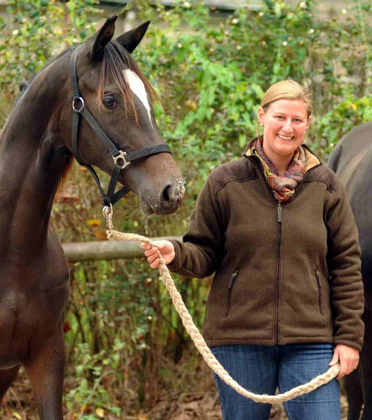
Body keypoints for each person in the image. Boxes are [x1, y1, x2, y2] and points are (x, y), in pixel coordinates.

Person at [141, 80, 364, 420]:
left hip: (312, 340)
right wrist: (175, 252)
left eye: (297, 120)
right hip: (238, 340)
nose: (287, 127)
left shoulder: (326, 185)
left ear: (307, 124)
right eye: (279, 117)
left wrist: (349, 338)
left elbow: (346, 264)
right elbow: (203, 250)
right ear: (262, 116)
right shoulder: (225, 182)